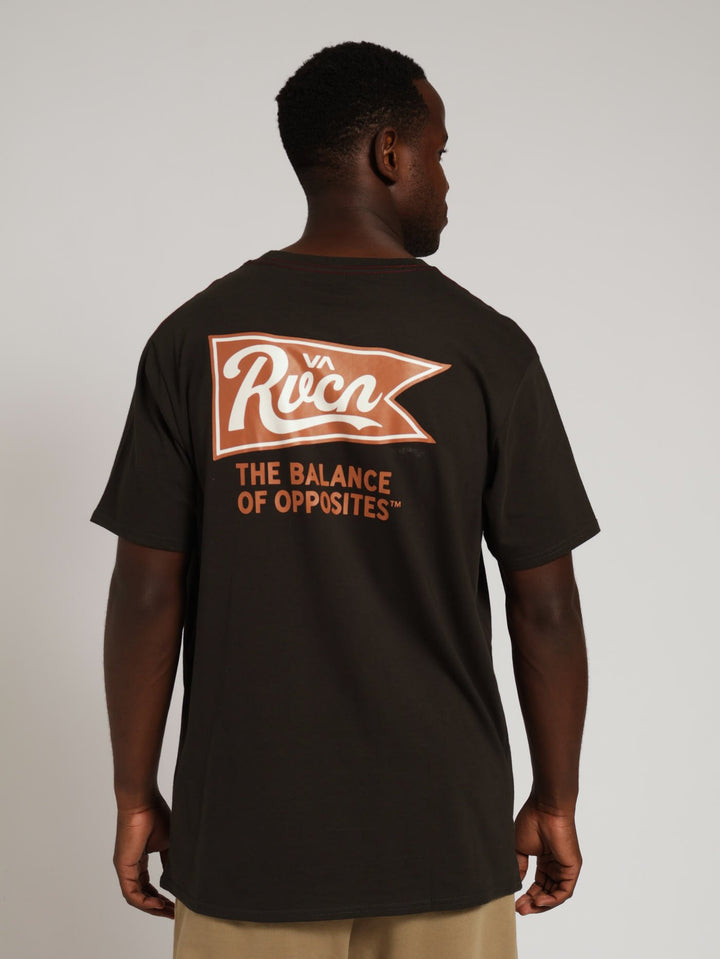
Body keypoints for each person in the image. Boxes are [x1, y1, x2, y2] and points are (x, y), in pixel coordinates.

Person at [91, 40, 601, 959]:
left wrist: (136, 796)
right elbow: (547, 604)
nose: (447, 180)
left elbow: (145, 591)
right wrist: (555, 799)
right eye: (440, 151)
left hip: (247, 839)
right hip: (444, 836)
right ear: (389, 154)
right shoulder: (488, 348)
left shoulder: (192, 339)